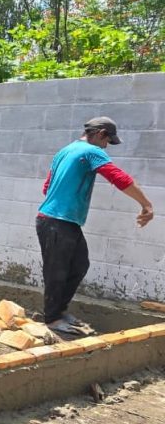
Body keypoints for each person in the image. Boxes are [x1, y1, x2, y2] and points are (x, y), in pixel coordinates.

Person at [37, 116, 154, 335]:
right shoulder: (92, 151)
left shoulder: (64, 151)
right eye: (107, 140)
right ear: (100, 133)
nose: (106, 146)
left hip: (61, 220)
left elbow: (47, 187)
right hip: (56, 221)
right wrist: (146, 204)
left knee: (79, 265)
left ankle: (59, 311)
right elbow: (119, 178)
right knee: (57, 271)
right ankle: (52, 319)